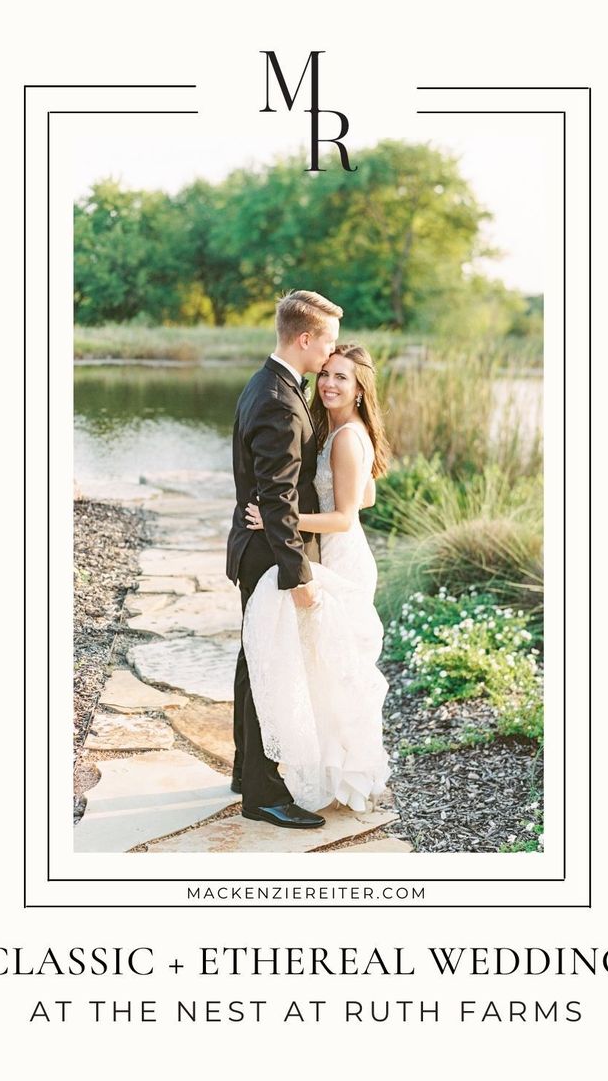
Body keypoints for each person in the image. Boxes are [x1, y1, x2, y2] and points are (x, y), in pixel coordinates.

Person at [242, 341, 391, 814]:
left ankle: (342, 769)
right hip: (337, 553)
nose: (328, 383)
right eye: (326, 373)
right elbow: (365, 496)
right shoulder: (345, 430)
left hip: (343, 558)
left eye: (340, 377)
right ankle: (330, 768)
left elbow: (346, 517)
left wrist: (278, 518)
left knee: (336, 668)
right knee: (325, 666)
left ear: (360, 389)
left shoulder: (347, 437)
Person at [226, 289, 342, 830]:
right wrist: (297, 575)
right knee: (270, 671)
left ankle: (244, 772)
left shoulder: (264, 383)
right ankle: (264, 795)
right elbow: (277, 497)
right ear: (304, 338)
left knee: (254, 664)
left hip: (257, 550)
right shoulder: (276, 397)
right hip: (273, 559)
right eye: (327, 344)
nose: (329, 356)